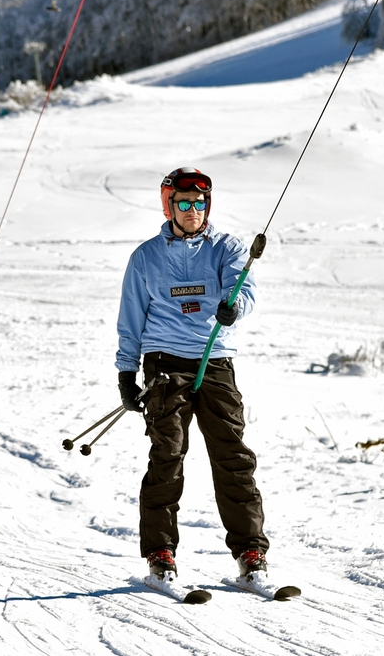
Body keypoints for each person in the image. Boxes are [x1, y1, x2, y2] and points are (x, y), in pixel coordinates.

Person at [115, 167, 269, 581]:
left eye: (199, 203)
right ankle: (160, 555)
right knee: (167, 457)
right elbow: (131, 319)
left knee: (233, 458)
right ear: (169, 205)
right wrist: (126, 373)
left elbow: (245, 288)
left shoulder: (227, 247)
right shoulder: (145, 257)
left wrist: (234, 308)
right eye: (183, 203)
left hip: (215, 361)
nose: (192, 211)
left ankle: (250, 554)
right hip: (165, 366)